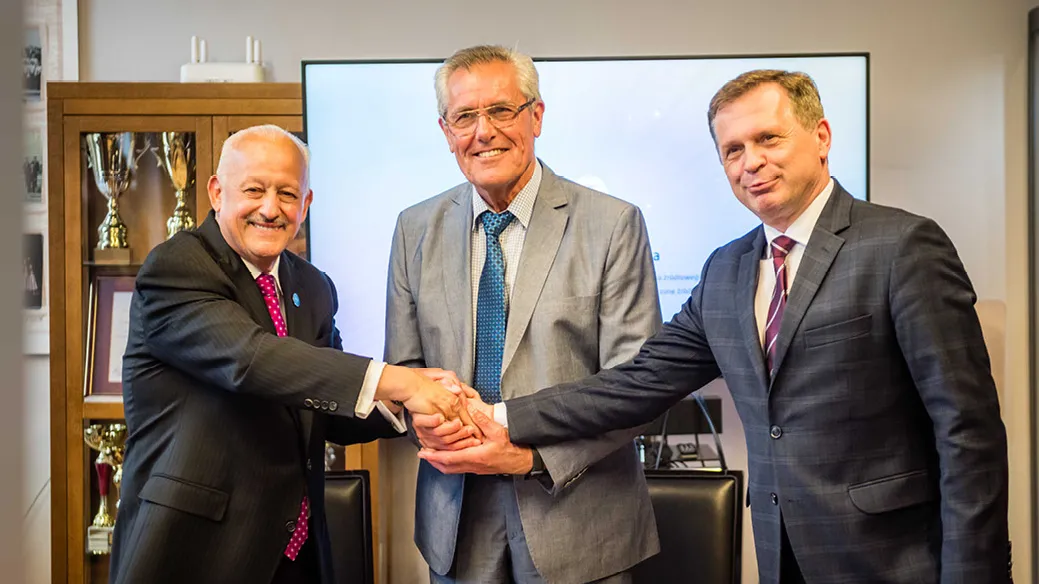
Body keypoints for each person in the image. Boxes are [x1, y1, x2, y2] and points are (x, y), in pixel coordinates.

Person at [424, 70, 1011, 584]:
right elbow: (637, 383)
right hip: (783, 557)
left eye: (768, 139)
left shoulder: (902, 246)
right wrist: (499, 415)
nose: (750, 161)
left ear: (823, 137)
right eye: (732, 150)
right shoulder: (728, 269)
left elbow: (967, 433)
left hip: (898, 561)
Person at [110, 124, 469, 584]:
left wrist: (413, 410)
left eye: (286, 193)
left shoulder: (312, 286)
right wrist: (402, 381)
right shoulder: (177, 268)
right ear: (217, 193)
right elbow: (251, 360)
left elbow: (331, 412)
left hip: (296, 557)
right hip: (196, 553)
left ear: (306, 204)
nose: (270, 208)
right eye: (254, 189)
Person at [385, 45, 662, 583]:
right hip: (456, 522)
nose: (483, 131)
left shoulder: (612, 224)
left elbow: (639, 391)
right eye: (465, 116)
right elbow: (406, 371)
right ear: (446, 131)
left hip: (579, 517)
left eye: (501, 110)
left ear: (536, 116)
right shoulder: (413, 229)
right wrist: (442, 429)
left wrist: (528, 457)